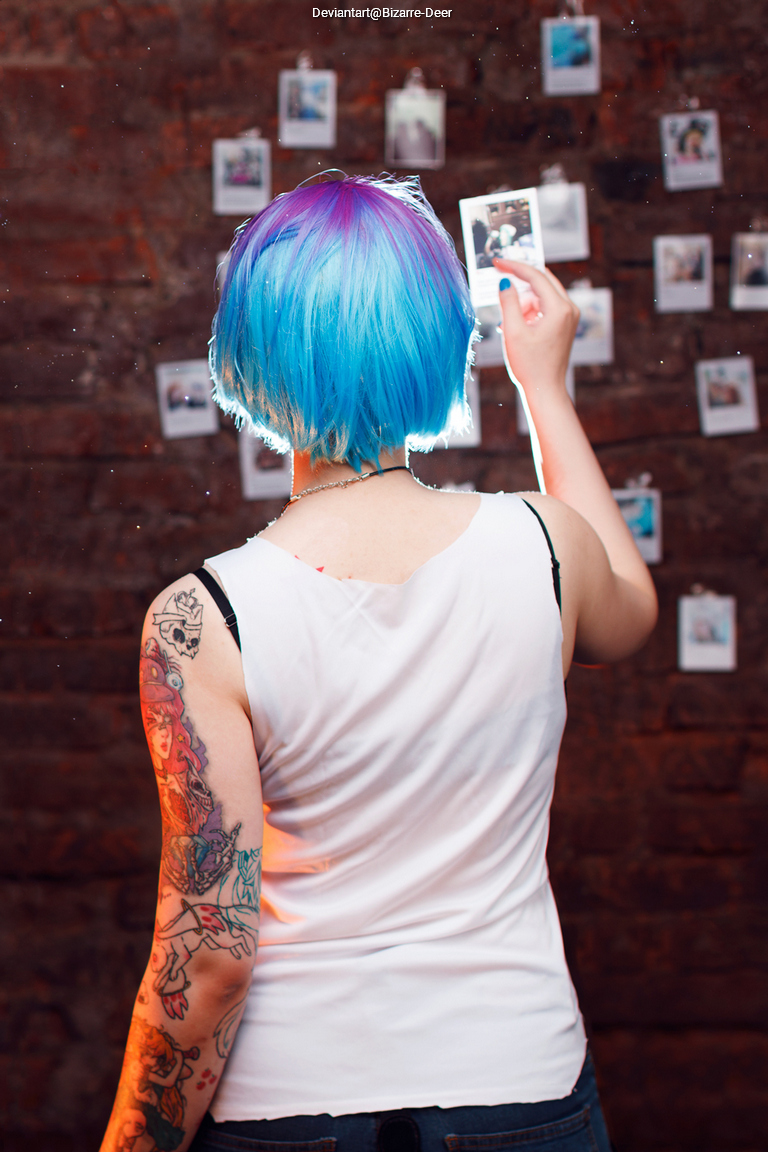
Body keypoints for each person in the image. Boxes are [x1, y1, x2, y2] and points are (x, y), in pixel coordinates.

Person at [100, 174, 657, 1152]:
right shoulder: (545, 545)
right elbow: (631, 609)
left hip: (290, 1103)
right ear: (442, 343)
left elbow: (212, 959)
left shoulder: (201, 619)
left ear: (249, 355)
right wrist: (543, 387)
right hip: (518, 1084)